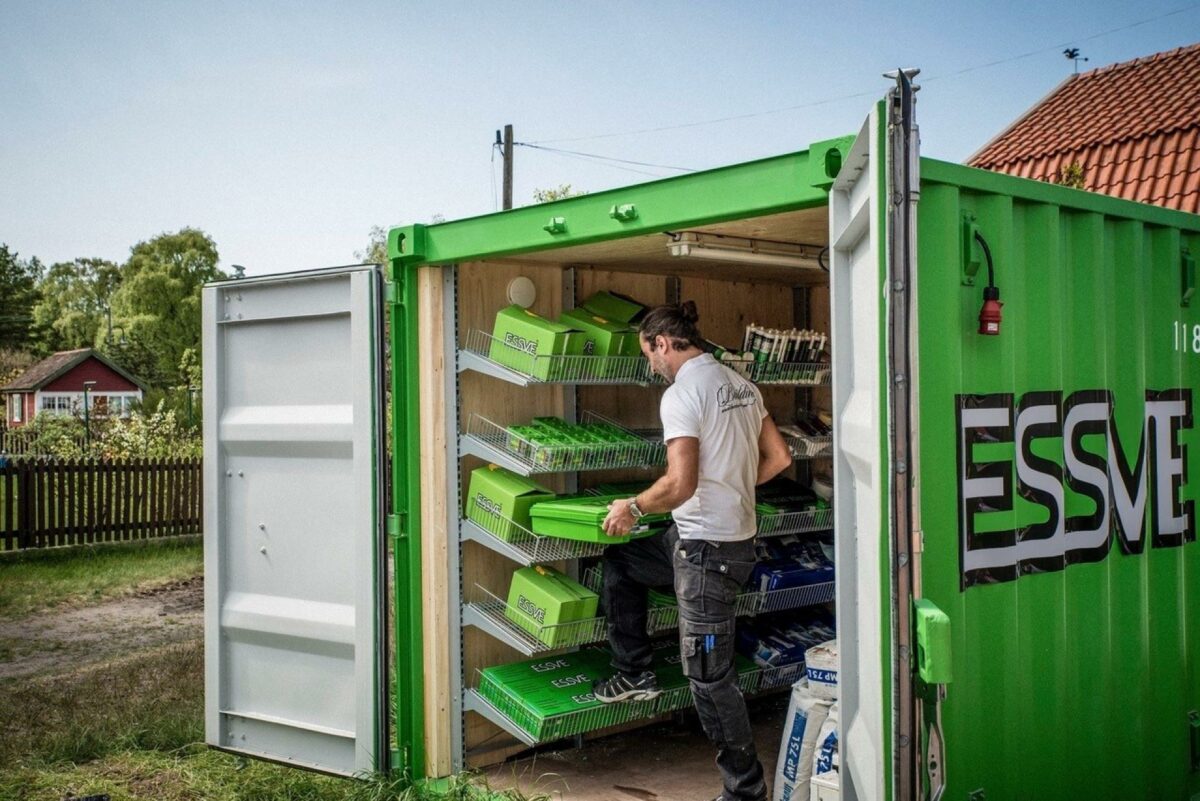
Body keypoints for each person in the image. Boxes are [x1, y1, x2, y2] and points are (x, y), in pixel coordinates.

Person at [595, 301, 793, 801]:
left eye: (649, 355)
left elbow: (679, 485)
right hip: (711, 541)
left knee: (708, 675)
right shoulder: (740, 386)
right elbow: (780, 457)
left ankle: (745, 791)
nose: (651, 366)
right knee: (621, 563)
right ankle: (634, 670)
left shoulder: (683, 394)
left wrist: (632, 507)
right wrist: (729, 485)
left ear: (662, 343)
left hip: (707, 555)